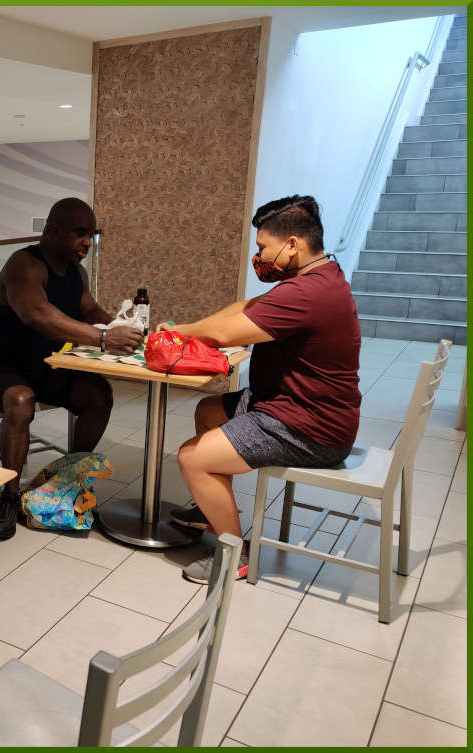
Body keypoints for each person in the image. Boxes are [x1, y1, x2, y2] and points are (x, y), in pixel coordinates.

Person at [155, 195, 361, 584]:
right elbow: (245, 306)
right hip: (292, 405)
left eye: (264, 247)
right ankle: (212, 510)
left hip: (308, 425)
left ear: (293, 244)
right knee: (208, 411)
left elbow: (222, 334)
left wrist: (181, 331)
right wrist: (188, 325)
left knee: (192, 458)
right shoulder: (319, 276)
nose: (260, 256)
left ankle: (235, 555)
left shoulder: (306, 294)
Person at [0, 197, 144, 541]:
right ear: (53, 230)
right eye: (80, 234)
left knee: (98, 394)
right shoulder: (24, 264)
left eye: (91, 236)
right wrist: (104, 338)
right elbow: (38, 314)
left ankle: (69, 483)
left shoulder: (75, 272)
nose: (87, 243)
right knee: (21, 400)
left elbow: (90, 310)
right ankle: (7, 495)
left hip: (44, 368)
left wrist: (123, 327)